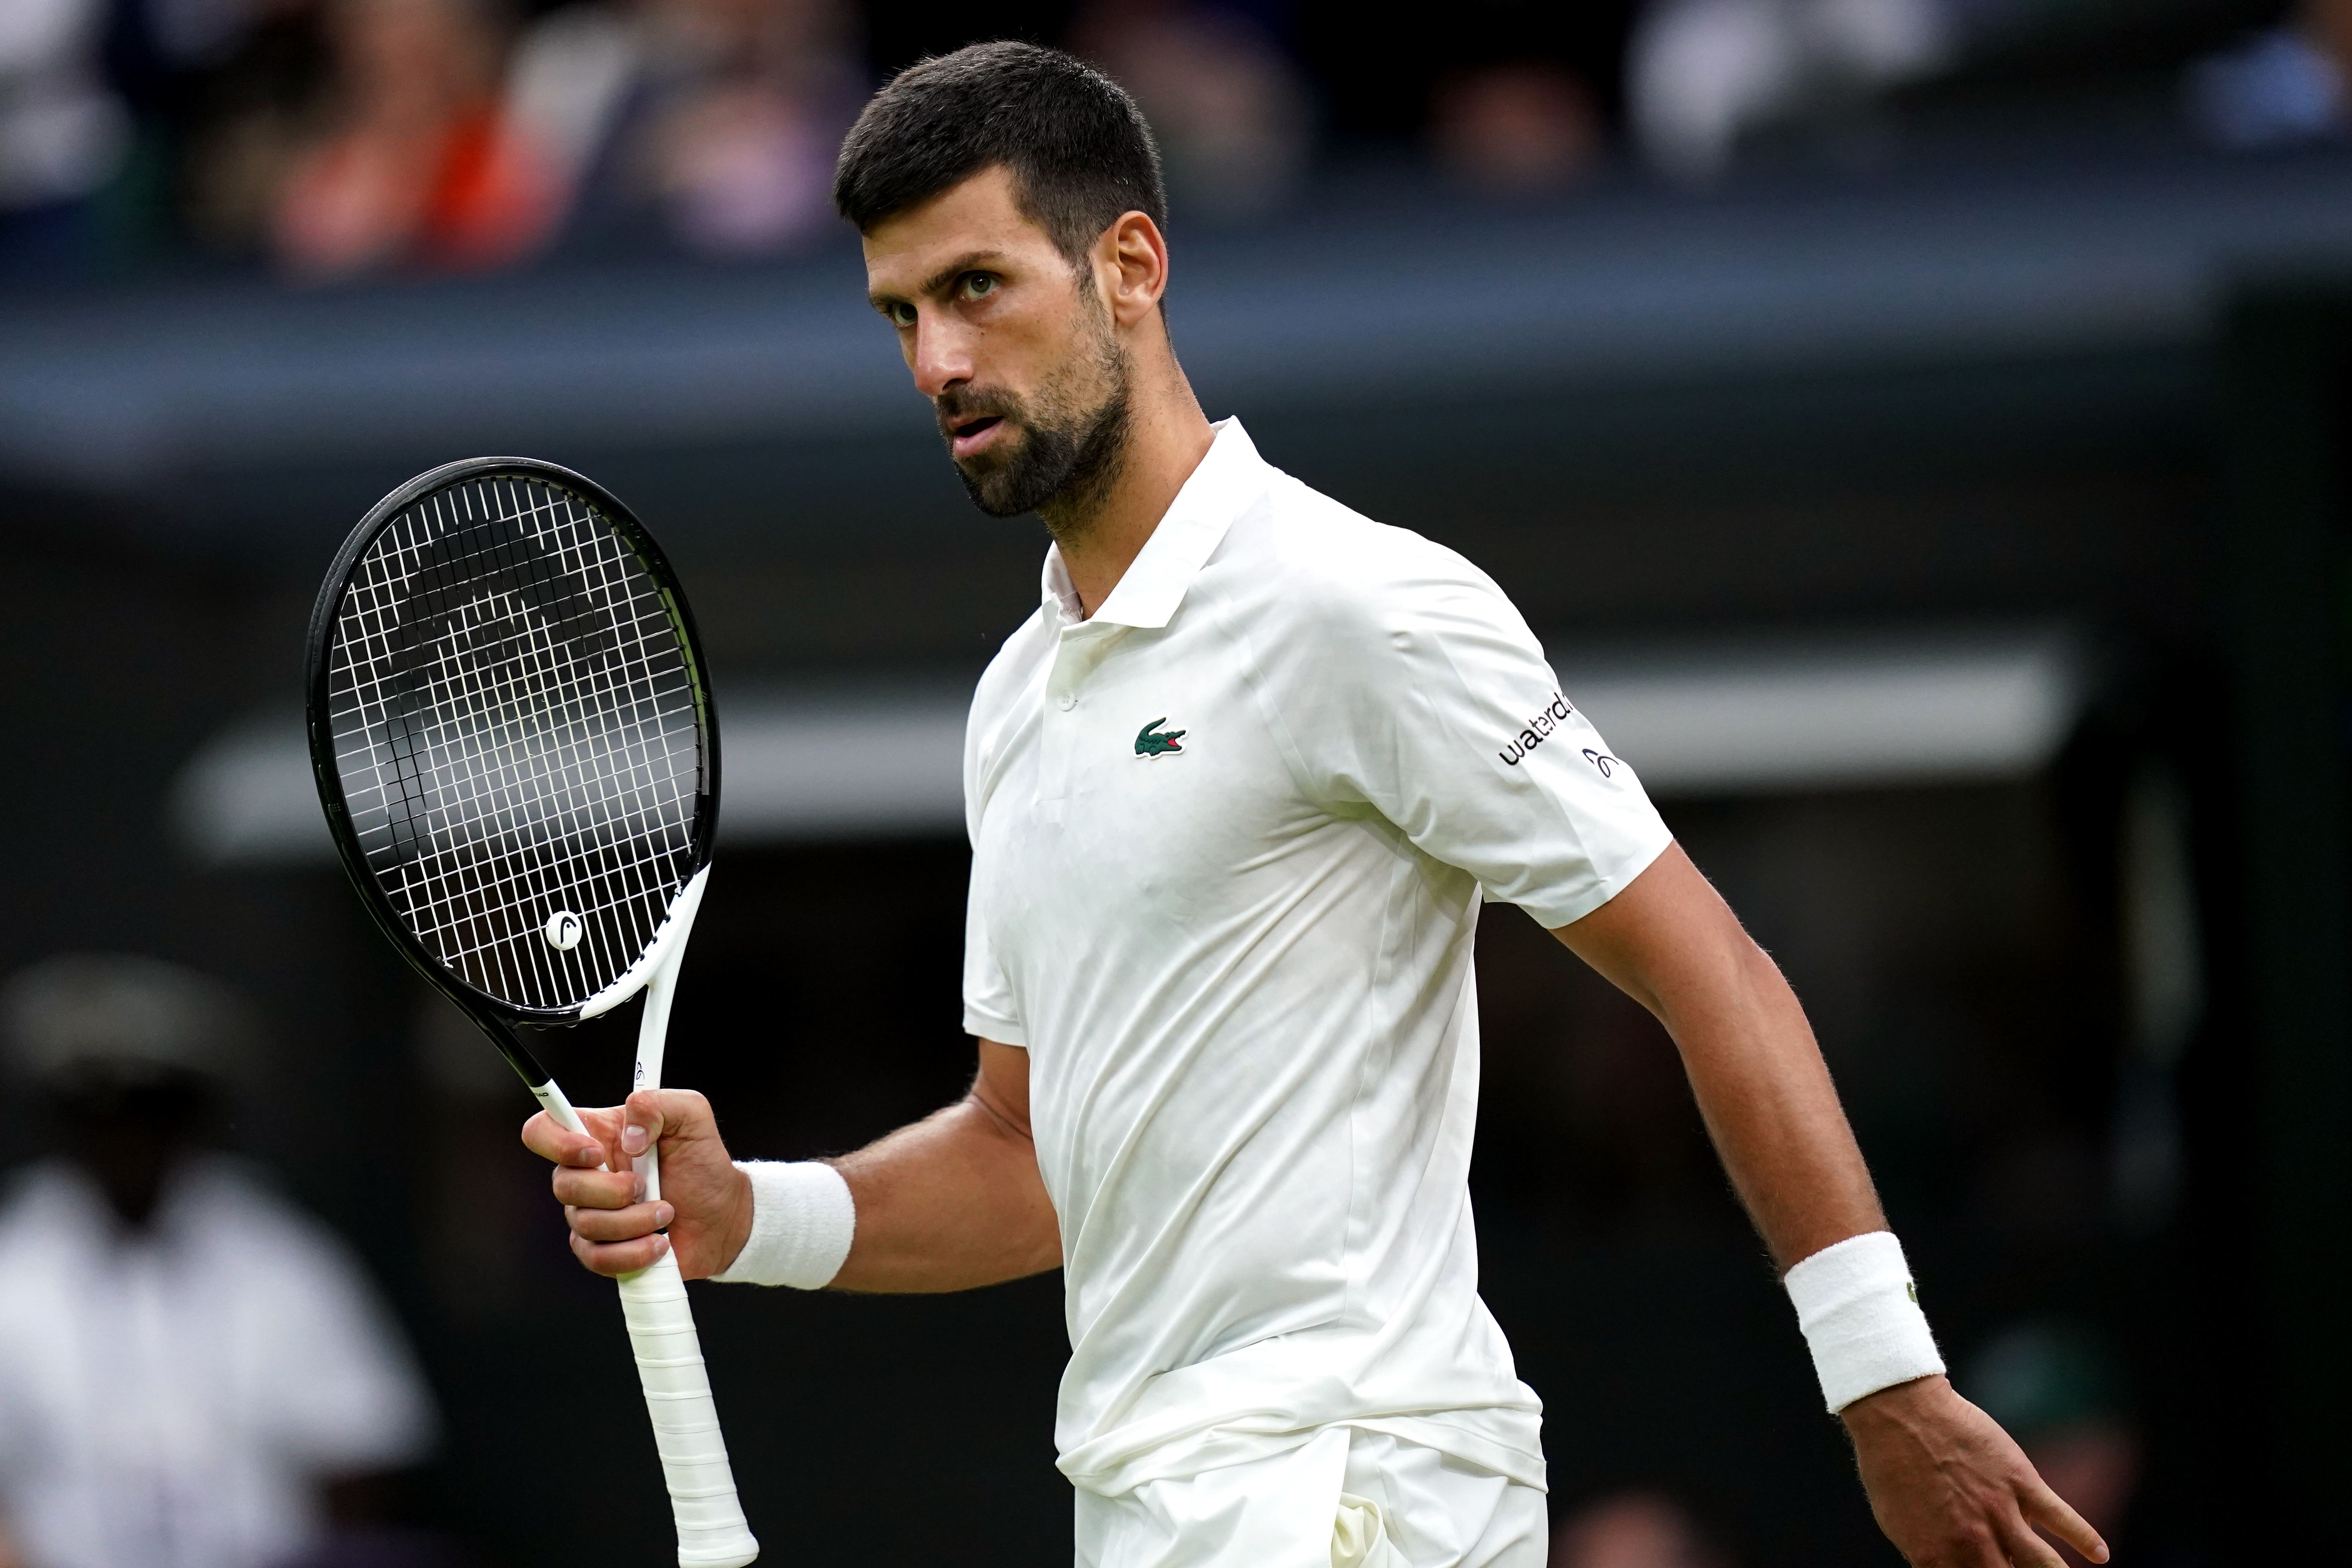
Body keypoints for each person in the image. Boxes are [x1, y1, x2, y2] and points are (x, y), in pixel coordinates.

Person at [524, 41, 2108, 1568]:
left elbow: (1714, 970)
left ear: (1130, 266)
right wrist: (751, 1220)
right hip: (1148, 1493)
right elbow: (1030, 1158)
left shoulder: (1363, 605)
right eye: (901, 315)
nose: (938, 361)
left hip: (1357, 1484)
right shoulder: (1020, 698)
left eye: (977, 289)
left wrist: (1885, 1379)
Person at [0, 954, 438, 1568]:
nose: (127, 1140)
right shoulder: (13, 1267)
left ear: (193, 1120)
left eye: (150, 1113)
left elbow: (361, 1453)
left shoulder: (282, 1260)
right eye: (99, 1116)